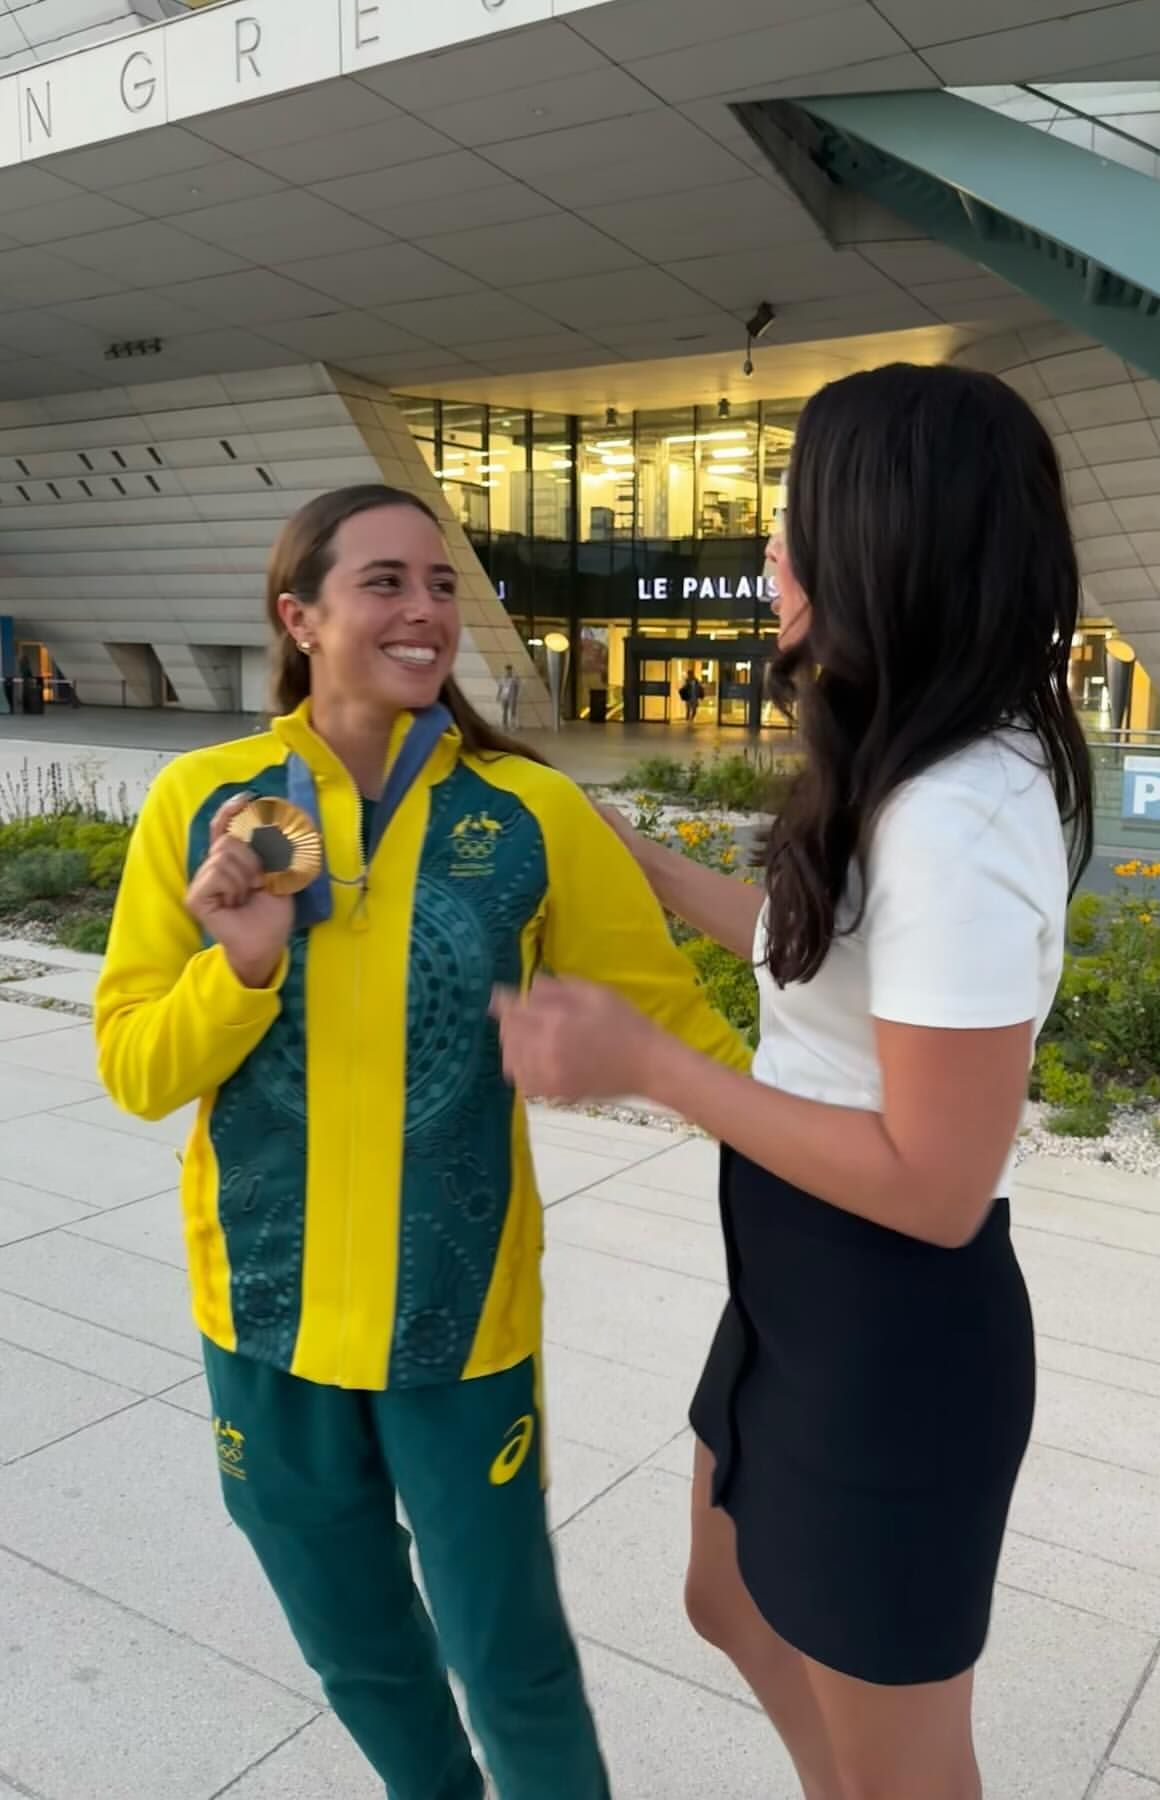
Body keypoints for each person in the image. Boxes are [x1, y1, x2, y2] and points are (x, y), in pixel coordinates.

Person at [493, 364, 1093, 1800]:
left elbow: (936, 1187)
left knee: (904, 1768)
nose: (771, 550)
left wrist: (648, 1064)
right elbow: (819, 954)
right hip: (802, 1288)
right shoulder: (916, 758)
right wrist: (632, 860)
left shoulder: (959, 814)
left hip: (896, 1331)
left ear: (884, 543)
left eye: (795, 518)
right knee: (729, 1597)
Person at [94, 484, 749, 1800]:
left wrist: (835, 1143)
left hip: (459, 1326)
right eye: (386, 581)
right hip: (263, 1315)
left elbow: (675, 1024)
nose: (426, 609)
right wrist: (244, 966)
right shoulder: (205, 802)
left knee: (512, 1661)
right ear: (301, 617)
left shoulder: (531, 813)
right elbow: (135, 1068)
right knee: (359, 1655)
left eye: (442, 583)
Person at [498, 663, 521, 732]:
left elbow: (517, 688)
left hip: (512, 697)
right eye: (506, 670)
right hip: (504, 697)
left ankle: (512, 725)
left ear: (511, 670)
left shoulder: (515, 678)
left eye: (509, 670)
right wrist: (498, 696)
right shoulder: (502, 678)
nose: (508, 671)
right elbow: (500, 687)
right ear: (505, 670)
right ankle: (504, 725)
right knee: (504, 712)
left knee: (512, 712)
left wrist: (516, 696)